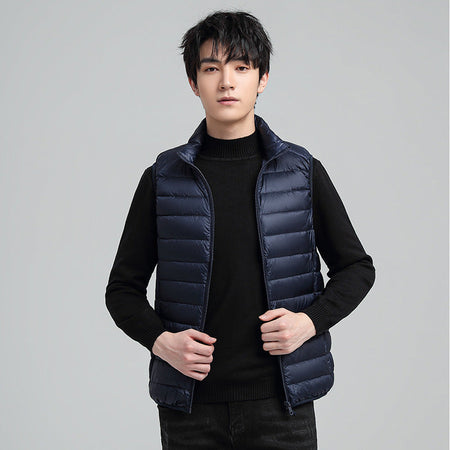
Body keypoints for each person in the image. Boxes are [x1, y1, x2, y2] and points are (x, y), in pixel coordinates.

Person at [105, 10, 375, 450]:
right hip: (190, 411)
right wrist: (161, 342)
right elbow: (121, 290)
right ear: (194, 82)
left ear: (262, 78)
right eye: (211, 68)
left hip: (282, 408)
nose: (226, 82)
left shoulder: (301, 172)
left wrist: (309, 322)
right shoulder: (163, 178)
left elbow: (357, 268)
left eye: (241, 67)